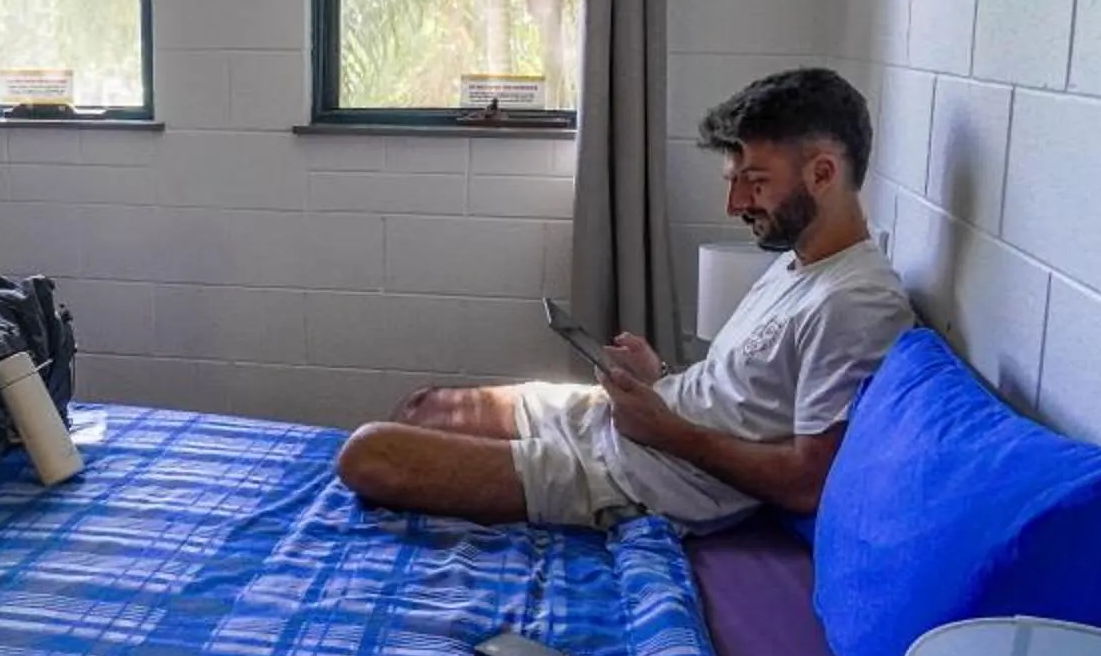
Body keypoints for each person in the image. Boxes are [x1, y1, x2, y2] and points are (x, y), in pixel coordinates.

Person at [336, 67, 915, 532]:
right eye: (733, 180)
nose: (735, 205)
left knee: (367, 455)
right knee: (424, 408)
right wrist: (660, 376)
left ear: (822, 173)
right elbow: (743, 395)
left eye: (756, 181)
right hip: (636, 428)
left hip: (638, 476)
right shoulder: (798, 262)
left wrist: (666, 430)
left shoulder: (858, 304)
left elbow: (808, 482)